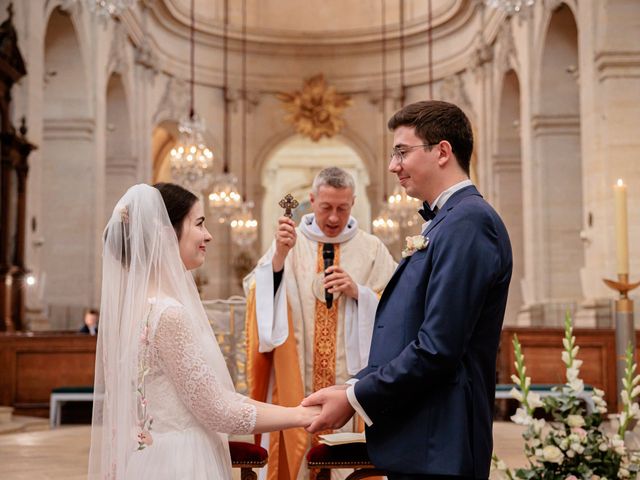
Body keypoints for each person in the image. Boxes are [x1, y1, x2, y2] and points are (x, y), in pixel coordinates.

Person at [303, 101, 513, 479]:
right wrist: (353, 384)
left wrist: (354, 398)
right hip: (425, 435)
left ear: (443, 151)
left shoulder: (469, 222)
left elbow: (437, 347)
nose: (392, 165)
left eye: (402, 151)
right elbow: (408, 330)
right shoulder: (446, 221)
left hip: (441, 438)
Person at [88, 183, 319, 480]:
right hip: (181, 463)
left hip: (151, 456)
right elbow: (218, 410)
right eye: (199, 223)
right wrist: (301, 415)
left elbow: (213, 397)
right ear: (165, 233)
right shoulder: (168, 314)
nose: (208, 235)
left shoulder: (134, 311)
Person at [243, 167, 396, 479]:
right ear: (311, 201)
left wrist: (360, 294)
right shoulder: (289, 241)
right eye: (326, 207)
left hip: (350, 382)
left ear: (353, 202)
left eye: (342, 208)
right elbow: (255, 294)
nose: (333, 218)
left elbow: (398, 307)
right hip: (298, 375)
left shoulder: (371, 249)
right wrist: (278, 261)